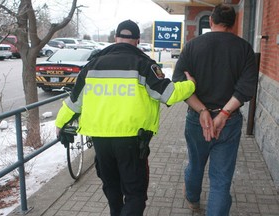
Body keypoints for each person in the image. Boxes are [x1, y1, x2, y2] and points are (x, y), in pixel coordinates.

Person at [55, 20, 196, 216]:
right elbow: (169, 94)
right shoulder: (143, 65)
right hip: (132, 141)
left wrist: (60, 124)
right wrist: (190, 85)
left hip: (101, 140)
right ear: (137, 41)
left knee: (112, 188)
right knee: (135, 194)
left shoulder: (92, 66)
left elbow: (73, 103)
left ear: (115, 39)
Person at [172, 4, 257, 216]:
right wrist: (224, 114)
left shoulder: (192, 46)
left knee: (196, 164)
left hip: (196, 119)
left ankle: (192, 199)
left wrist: (202, 111)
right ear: (234, 23)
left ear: (211, 21)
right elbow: (246, 88)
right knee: (221, 180)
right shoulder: (244, 48)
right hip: (229, 121)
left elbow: (179, 83)